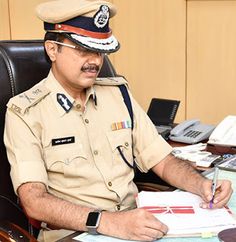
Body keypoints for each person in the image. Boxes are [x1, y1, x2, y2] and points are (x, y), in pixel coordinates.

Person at [4, 0, 233, 241]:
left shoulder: (118, 94)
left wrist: (201, 186)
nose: (95, 61)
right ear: (52, 49)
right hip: (75, 234)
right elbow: (34, 202)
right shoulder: (25, 112)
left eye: (100, 51)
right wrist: (106, 222)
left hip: (135, 225)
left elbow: (162, 161)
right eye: (84, 50)